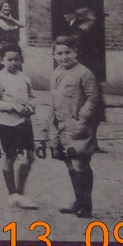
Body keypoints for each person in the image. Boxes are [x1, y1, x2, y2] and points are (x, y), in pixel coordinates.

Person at [49, 35, 104, 218]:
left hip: (78, 126)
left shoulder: (84, 73)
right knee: (70, 163)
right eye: (59, 53)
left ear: (76, 52)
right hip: (62, 126)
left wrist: (81, 119)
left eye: (68, 53)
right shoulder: (56, 73)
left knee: (81, 164)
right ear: (54, 55)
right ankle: (78, 201)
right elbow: (54, 101)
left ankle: (86, 206)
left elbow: (92, 97)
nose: (64, 57)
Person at [0, 44, 38, 210]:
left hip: (24, 123)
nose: (13, 63)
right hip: (7, 124)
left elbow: (32, 96)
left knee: (30, 157)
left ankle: (20, 193)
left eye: (16, 59)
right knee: (10, 157)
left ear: (21, 60)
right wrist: (13, 106)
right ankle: (12, 194)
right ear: (2, 60)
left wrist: (31, 106)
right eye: (9, 60)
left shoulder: (24, 77)